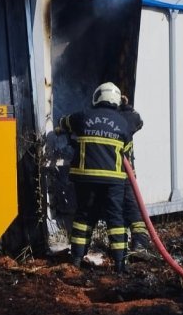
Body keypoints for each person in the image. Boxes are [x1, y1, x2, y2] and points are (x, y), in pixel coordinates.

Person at [57, 82, 133, 273]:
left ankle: (75, 259)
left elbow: (63, 123)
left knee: (84, 216)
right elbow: (127, 150)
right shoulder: (123, 122)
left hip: (85, 177)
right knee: (115, 219)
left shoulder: (82, 116)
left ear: (97, 97)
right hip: (113, 179)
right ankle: (120, 265)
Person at [119, 96, 152, 257]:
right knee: (132, 211)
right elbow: (138, 120)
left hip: (116, 177)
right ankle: (138, 245)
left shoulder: (109, 120)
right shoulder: (127, 120)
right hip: (126, 176)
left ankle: (134, 246)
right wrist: (126, 107)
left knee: (123, 211)